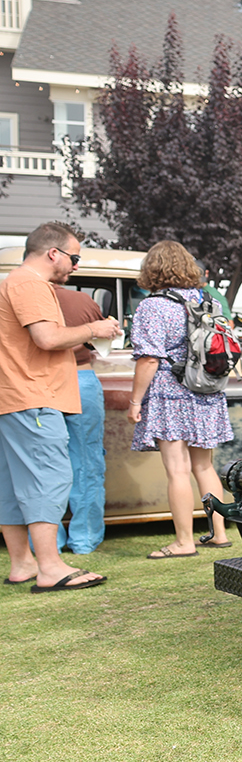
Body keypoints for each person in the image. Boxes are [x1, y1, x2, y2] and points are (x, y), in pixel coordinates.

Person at [0, 222, 121, 591]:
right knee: (50, 478)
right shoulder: (31, 284)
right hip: (35, 397)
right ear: (53, 253)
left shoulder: (12, 282)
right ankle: (50, 567)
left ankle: (23, 563)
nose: (75, 266)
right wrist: (94, 330)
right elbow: (47, 337)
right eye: (74, 258)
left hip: (14, 398)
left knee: (12, 485)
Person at [128, 241, 235, 559]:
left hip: (171, 393)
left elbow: (149, 359)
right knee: (204, 466)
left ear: (152, 269)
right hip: (206, 390)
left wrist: (135, 401)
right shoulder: (206, 300)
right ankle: (219, 534)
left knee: (177, 470)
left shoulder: (152, 306)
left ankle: (184, 542)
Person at [54, 284, 108, 556]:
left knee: (42, 464)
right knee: (88, 461)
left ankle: (47, 541)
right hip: (81, 376)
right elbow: (102, 341)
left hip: (39, 381)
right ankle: (85, 538)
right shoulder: (82, 300)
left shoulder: (15, 296)